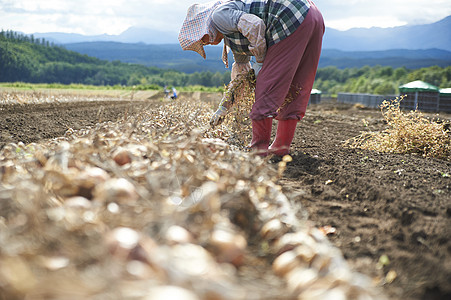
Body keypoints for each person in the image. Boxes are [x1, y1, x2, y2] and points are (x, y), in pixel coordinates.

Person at [179, 0, 324, 156]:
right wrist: (223, 108)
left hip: (287, 15)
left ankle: (258, 149)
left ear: (204, 26)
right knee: (296, 86)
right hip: (311, 16)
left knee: (267, 87)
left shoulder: (219, 16)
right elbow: (242, 77)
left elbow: (255, 25)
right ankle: (281, 147)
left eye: (204, 40)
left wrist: (261, 62)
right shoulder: (230, 34)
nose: (208, 43)